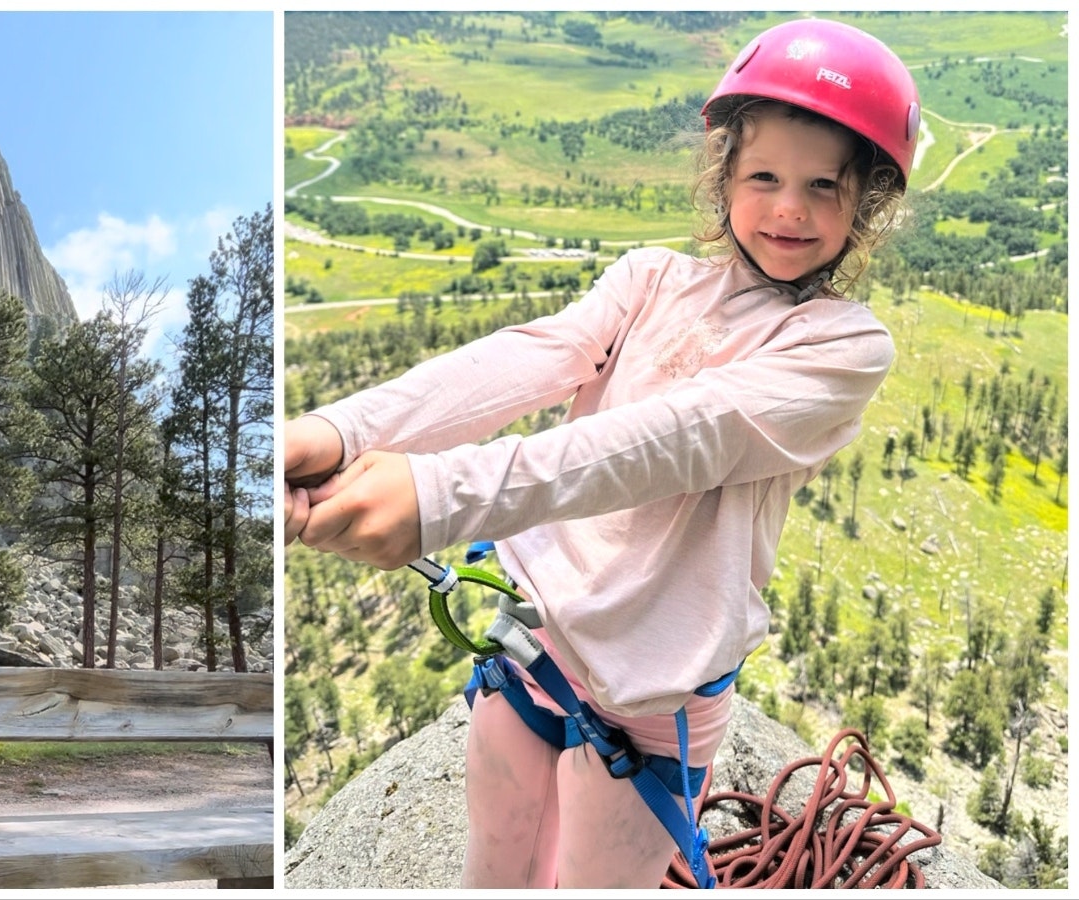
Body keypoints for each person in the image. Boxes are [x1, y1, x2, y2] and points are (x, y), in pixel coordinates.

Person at [285, 19, 919, 889]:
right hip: (531, 654)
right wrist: (340, 432)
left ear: (868, 205)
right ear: (724, 176)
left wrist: (438, 494)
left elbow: (666, 441)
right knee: (491, 868)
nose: (789, 209)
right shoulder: (649, 279)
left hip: (648, 706)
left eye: (824, 186)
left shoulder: (840, 349)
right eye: (764, 175)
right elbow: (523, 359)